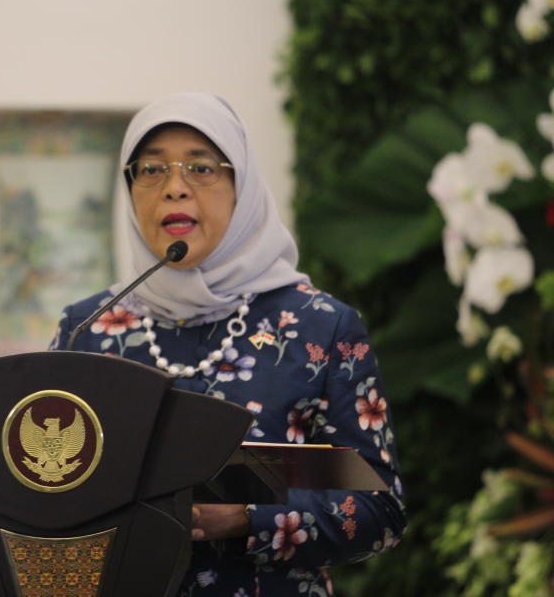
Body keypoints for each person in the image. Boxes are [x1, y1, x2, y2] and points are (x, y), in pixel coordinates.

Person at [50, 93, 407, 596]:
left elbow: (379, 510)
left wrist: (246, 517)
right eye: (151, 170)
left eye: (201, 168)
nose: (174, 188)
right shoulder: (86, 329)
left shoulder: (321, 328)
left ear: (243, 188)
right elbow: (42, 490)